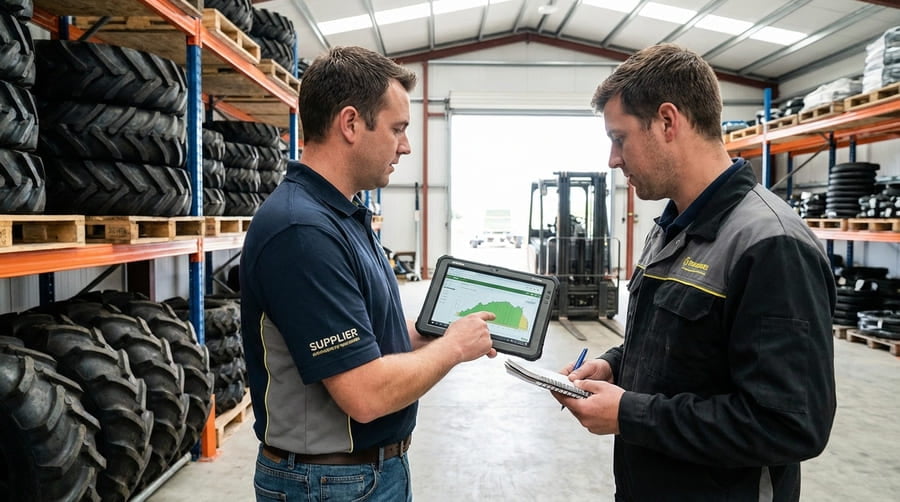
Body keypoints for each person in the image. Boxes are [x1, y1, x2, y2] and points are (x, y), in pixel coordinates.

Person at [554, 43, 837, 501]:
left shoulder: (771, 245)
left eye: (619, 137)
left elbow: (790, 424)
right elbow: (673, 345)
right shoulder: (670, 228)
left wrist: (631, 415)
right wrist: (612, 365)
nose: (612, 159)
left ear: (668, 122)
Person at [239, 46, 497, 501]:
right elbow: (365, 395)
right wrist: (453, 348)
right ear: (351, 123)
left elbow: (368, 342)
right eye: (398, 128)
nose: (406, 145)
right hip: (329, 483)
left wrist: (430, 334)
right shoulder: (302, 231)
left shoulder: (343, 216)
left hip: (363, 474)